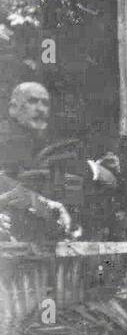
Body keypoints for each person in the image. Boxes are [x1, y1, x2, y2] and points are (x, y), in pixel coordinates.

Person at [0, 82, 118, 243]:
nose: (40, 108)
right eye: (32, 101)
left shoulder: (53, 145)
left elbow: (109, 180)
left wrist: (91, 168)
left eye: (45, 103)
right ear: (13, 108)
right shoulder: (7, 144)